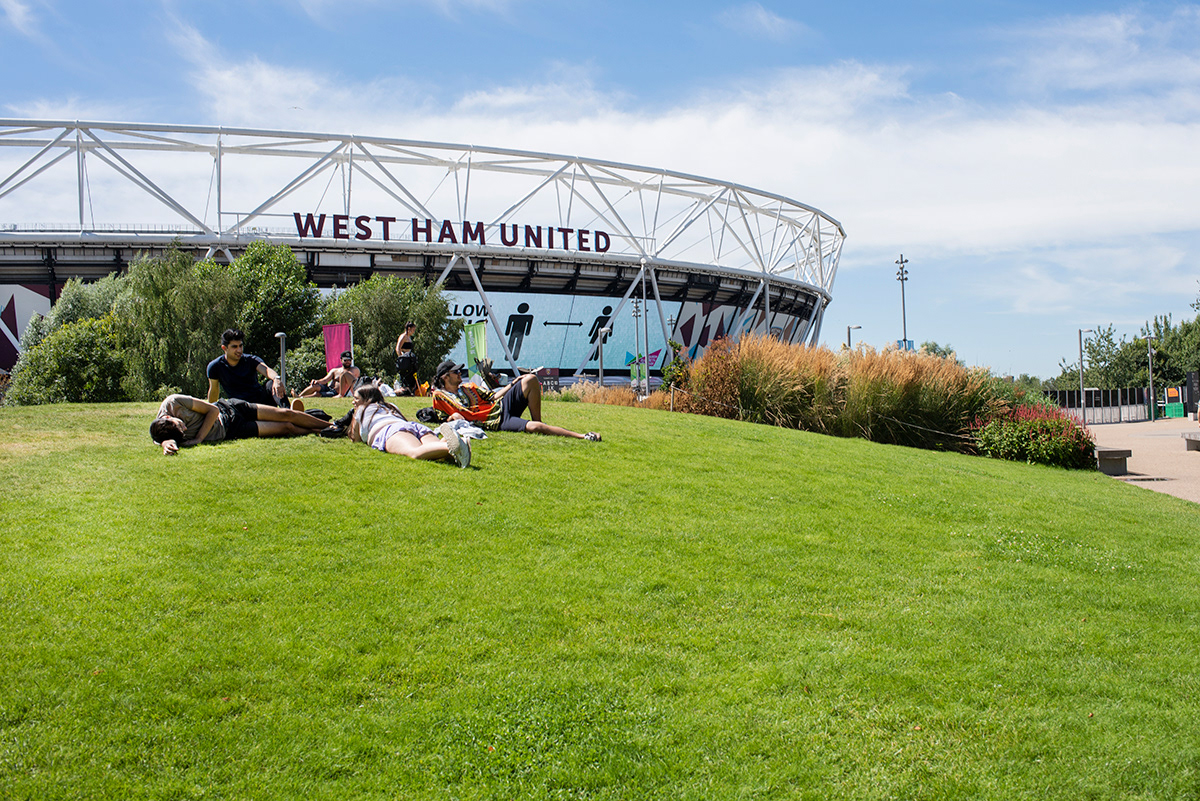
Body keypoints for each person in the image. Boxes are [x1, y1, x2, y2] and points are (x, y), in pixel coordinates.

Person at [431, 359, 600, 440]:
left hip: (501, 405)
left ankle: (540, 422)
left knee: (530, 379)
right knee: (535, 428)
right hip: (495, 421)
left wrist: (513, 383)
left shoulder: (469, 387)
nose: (460, 373)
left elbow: (492, 396)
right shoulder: (440, 396)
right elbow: (440, 417)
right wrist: (451, 417)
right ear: (446, 377)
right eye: (456, 372)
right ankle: (583, 436)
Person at [149, 394, 335, 456]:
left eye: (182, 425)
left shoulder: (173, 402)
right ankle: (317, 429)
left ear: (169, 417)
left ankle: (331, 426)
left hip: (229, 408)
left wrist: (198, 438)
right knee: (287, 427)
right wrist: (165, 444)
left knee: (285, 413)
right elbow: (162, 440)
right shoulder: (163, 432)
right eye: (183, 432)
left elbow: (212, 411)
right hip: (231, 430)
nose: (185, 429)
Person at [349, 384, 471, 467]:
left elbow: (357, 439)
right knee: (434, 451)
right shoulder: (390, 406)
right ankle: (449, 442)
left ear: (366, 399)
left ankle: (455, 446)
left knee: (414, 452)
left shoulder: (362, 410)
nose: (353, 401)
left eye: (356, 398)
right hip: (412, 426)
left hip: (390, 430)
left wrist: (355, 416)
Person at [206, 329, 288, 407]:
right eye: (234, 347)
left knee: (271, 383)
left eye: (241, 346)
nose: (239, 350)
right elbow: (213, 391)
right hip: (240, 406)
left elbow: (266, 370)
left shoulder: (250, 360)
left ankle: (289, 412)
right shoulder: (215, 366)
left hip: (261, 402)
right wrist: (212, 409)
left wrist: (276, 379)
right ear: (224, 348)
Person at [394, 322, 418, 394]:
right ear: (409, 328)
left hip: (409, 357)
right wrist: (401, 357)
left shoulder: (409, 337)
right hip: (405, 358)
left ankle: (411, 390)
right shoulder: (403, 336)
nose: (414, 331)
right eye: (413, 329)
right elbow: (398, 348)